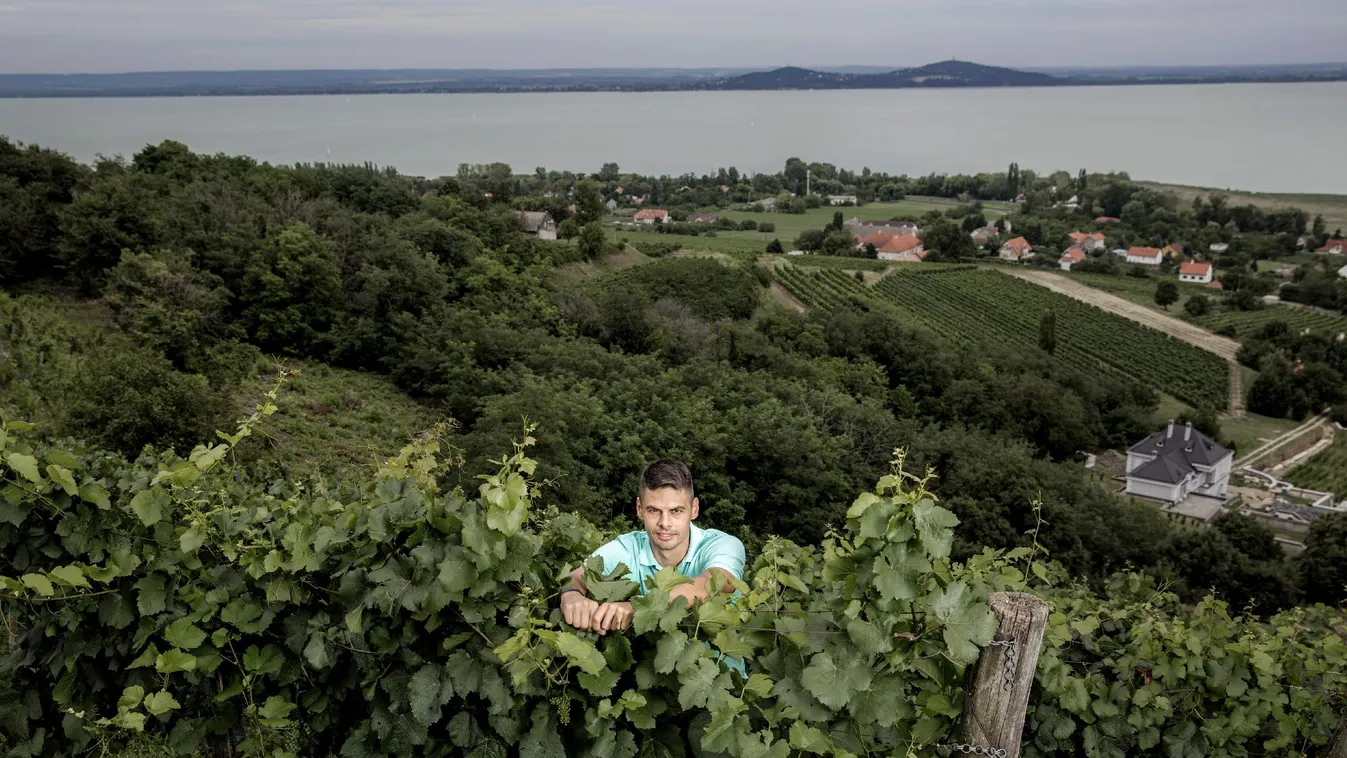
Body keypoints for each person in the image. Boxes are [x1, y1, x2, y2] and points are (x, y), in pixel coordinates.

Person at [559, 459, 745, 636]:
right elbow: (575, 577)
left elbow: (714, 584)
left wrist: (640, 607)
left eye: (676, 511)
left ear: (694, 509)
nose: (665, 523)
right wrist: (572, 595)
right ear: (640, 509)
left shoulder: (723, 545)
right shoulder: (626, 548)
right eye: (654, 510)